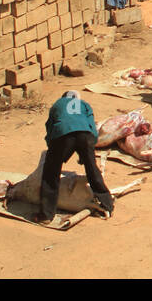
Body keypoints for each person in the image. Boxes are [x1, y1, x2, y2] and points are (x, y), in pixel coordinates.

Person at [37, 91, 114, 224]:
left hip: (63, 133)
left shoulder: (57, 104)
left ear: (64, 97)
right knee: (92, 169)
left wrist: (53, 151)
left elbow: (50, 127)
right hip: (86, 134)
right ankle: (107, 203)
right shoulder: (84, 104)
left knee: (51, 172)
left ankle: (46, 215)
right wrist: (87, 152)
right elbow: (92, 127)